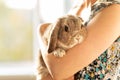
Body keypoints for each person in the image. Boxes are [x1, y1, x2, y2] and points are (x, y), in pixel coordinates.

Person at [37, 0, 120, 80]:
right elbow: (48, 72)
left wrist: (42, 30)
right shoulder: (78, 8)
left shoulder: (114, 10)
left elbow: (60, 71)